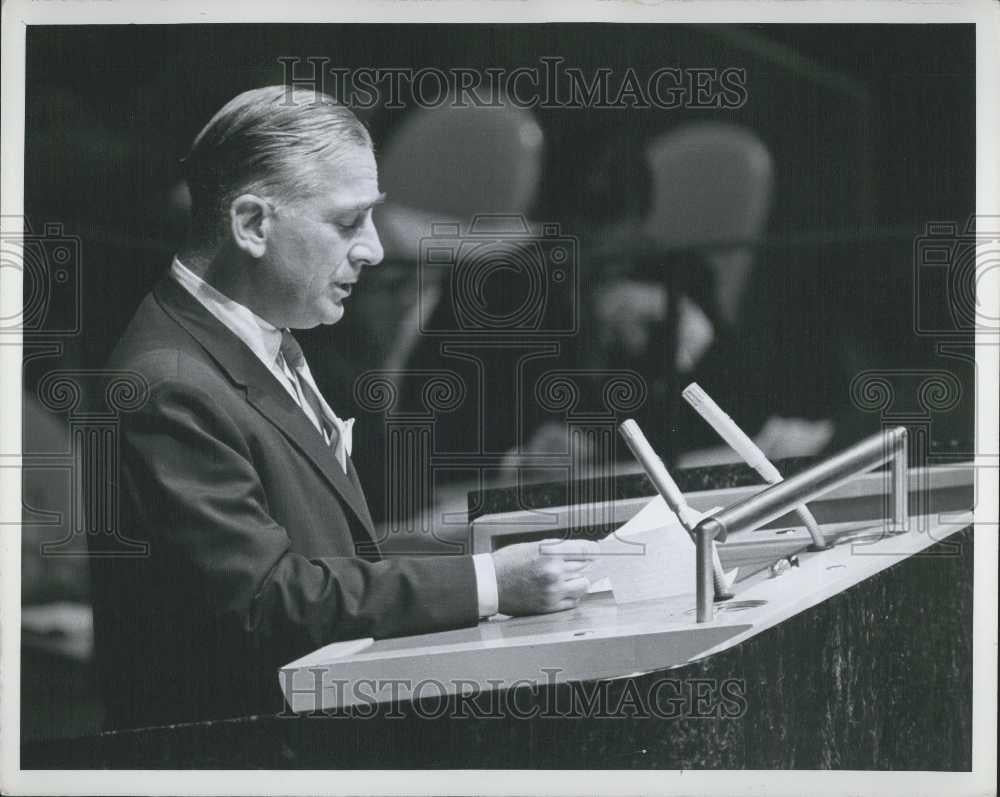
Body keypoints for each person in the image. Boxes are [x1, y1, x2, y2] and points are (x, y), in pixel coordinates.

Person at [90, 85, 597, 729]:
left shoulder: (259, 330)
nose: (375, 250)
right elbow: (267, 602)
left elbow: (331, 551)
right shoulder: (169, 383)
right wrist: (491, 583)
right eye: (346, 222)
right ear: (251, 224)